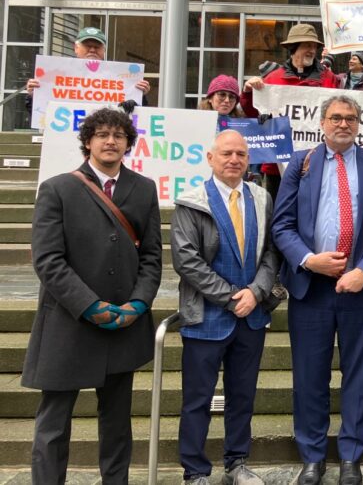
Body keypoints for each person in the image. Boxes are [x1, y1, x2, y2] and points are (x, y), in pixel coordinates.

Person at [23, 107, 162, 483]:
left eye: (118, 135)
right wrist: (89, 306)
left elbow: (151, 256)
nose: (110, 141)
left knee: (117, 425)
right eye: (102, 134)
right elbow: (48, 260)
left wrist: (139, 302)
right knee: (53, 425)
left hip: (124, 323)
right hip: (69, 323)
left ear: (128, 143)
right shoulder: (57, 188)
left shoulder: (144, 188)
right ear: (88, 142)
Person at [272, 94, 363, 485]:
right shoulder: (301, 163)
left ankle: (350, 456)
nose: (343, 124)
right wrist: (309, 260)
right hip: (311, 289)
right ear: (322, 122)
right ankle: (312, 456)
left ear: (359, 123)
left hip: (361, 292)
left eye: (350, 118)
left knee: (358, 378)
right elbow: (282, 225)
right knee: (309, 377)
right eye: (335, 117)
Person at [171, 130, 282, 485]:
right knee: (197, 400)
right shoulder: (192, 201)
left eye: (241, 154)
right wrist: (233, 296)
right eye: (227, 153)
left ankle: (236, 463)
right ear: (210, 158)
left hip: (251, 316)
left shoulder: (261, 198)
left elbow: (271, 253)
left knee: (242, 396)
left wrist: (256, 292)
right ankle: (195, 471)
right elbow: (186, 260)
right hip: (205, 317)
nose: (234, 159)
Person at [241, 23, 339, 200]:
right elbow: (253, 114)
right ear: (294, 48)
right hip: (277, 166)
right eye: (306, 45)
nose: (312, 50)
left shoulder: (329, 79)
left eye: (314, 46)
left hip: (319, 163)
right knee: (279, 213)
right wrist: (249, 93)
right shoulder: (273, 79)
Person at [25, 27, 152, 116]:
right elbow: (40, 114)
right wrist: (33, 96)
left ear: (104, 50)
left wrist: (140, 96)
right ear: (76, 48)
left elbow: (137, 117)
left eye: (97, 47)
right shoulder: (57, 75)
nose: (92, 50)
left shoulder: (121, 77)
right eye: (87, 46)